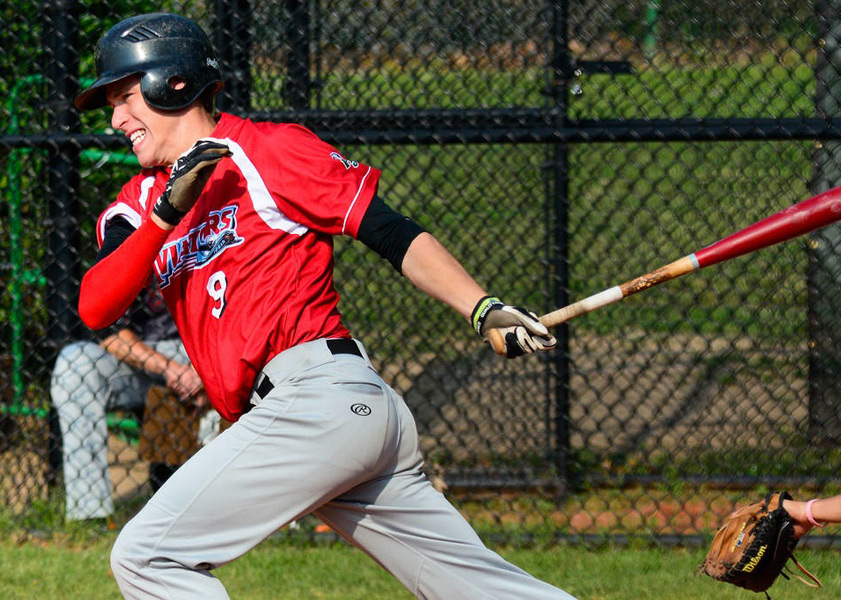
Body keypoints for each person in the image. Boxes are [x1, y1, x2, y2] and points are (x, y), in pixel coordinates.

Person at [74, 12, 570, 600]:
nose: (115, 119)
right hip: (317, 420)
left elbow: (391, 233)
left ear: (173, 82)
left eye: (126, 97)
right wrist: (164, 218)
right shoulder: (135, 206)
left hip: (319, 398)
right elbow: (97, 306)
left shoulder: (266, 150)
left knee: (147, 556)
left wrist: (481, 307)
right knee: (484, 591)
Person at [51, 285, 205, 522]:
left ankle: (249, 517)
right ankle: (90, 515)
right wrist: (170, 370)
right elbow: (108, 333)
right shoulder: (121, 247)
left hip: (203, 349)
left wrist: (207, 370)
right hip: (138, 355)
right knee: (75, 363)